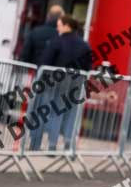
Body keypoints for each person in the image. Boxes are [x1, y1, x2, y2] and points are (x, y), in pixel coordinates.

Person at [32, 15, 93, 152]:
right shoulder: (84, 45)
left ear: (67, 26)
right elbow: (88, 67)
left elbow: (44, 62)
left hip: (57, 82)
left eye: (59, 25)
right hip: (77, 82)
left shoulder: (56, 42)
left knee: (55, 112)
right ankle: (68, 142)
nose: (57, 27)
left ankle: (52, 145)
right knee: (71, 113)